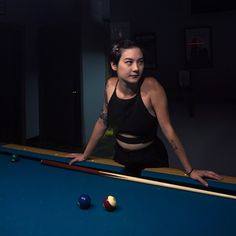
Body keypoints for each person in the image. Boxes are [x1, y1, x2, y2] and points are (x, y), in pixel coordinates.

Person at [68, 39, 222, 186]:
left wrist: (190, 170)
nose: (136, 68)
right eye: (129, 62)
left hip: (150, 158)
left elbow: (168, 130)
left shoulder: (152, 88)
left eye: (140, 62)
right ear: (114, 65)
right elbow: (103, 121)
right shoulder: (109, 86)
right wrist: (85, 154)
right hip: (121, 156)